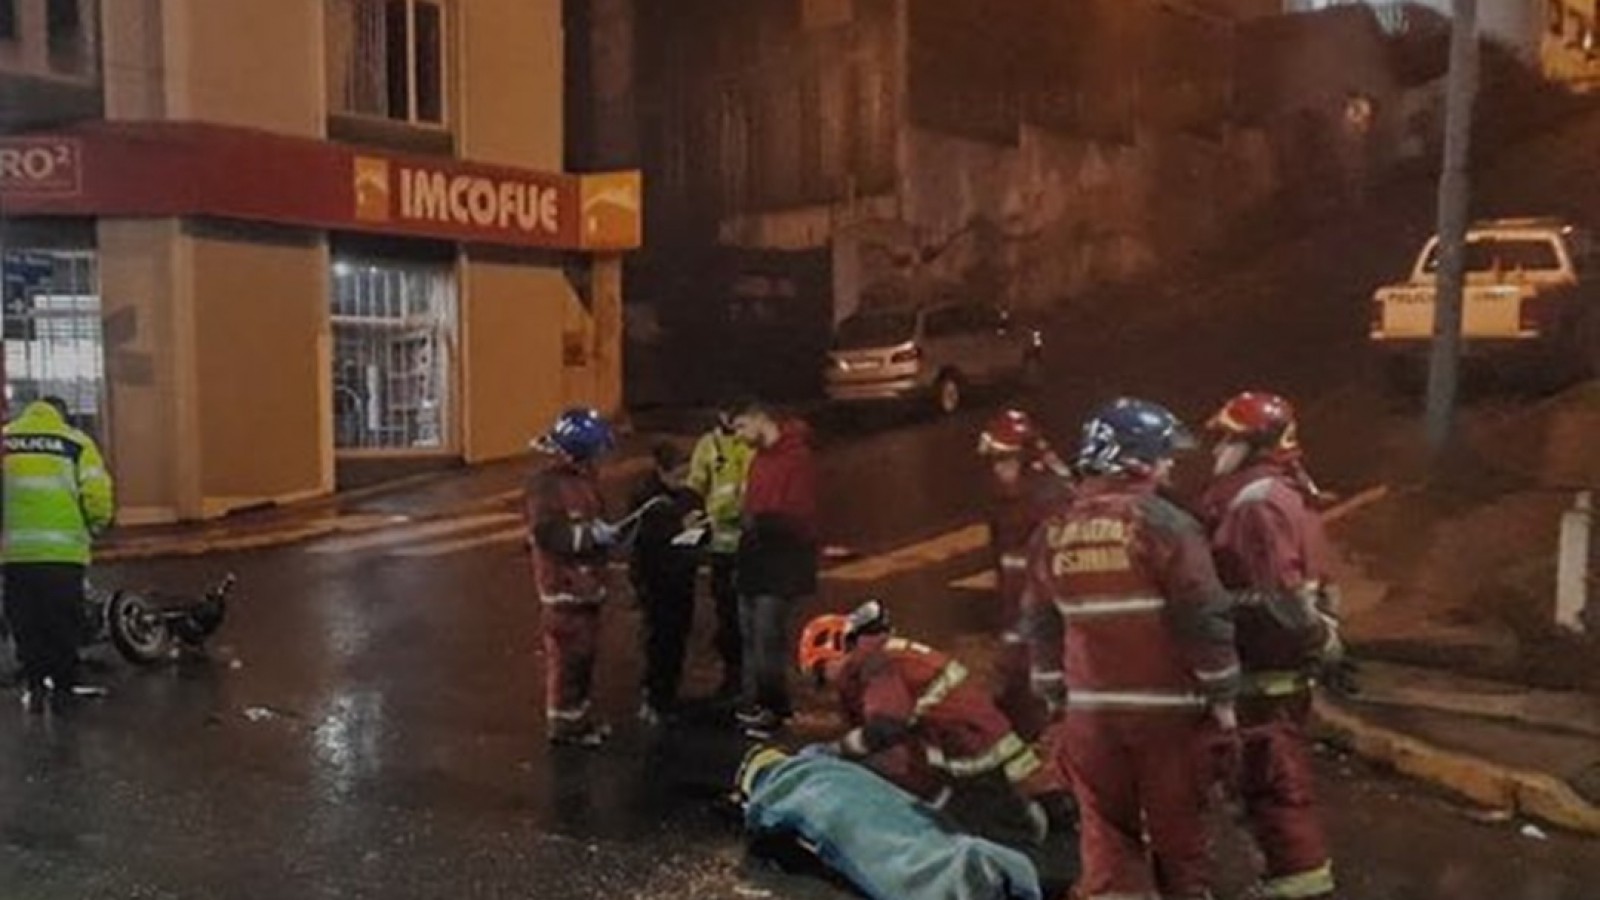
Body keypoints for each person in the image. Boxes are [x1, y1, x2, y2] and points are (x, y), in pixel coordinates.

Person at [1025, 397, 1241, 900]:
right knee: (1178, 834)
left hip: (1090, 717)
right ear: (1135, 459)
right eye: (1163, 455)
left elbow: (1041, 623)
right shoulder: (1164, 525)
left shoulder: (1052, 533)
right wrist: (1223, 696)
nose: (1169, 465)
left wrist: (1055, 695)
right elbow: (1202, 615)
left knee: (1104, 838)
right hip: (1165, 716)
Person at [1200, 391, 1342, 900]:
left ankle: (1296, 885)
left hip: (1263, 663)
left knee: (1270, 782)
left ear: (1253, 444)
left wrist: (1316, 636)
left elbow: (1280, 592)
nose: (1217, 448)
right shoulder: (1275, 493)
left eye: (1227, 438)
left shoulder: (1256, 502)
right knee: (1259, 780)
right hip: (1267, 662)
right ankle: (1287, 880)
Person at [798, 601, 1074, 843]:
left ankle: (1019, 818)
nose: (828, 684)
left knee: (958, 817)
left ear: (837, 651)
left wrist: (839, 750)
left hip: (966, 742)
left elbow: (886, 727)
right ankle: (1045, 807)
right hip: (974, 732)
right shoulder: (880, 654)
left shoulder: (874, 665)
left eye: (823, 672)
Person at [737, 745, 1046, 900]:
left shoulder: (777, 793)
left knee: (908, 862)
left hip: (946, 886)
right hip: (995, 861)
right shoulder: (834, 768)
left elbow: (766, 831)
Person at [3, 396, 115, 714]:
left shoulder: (7, 439)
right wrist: (96, 526)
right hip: (63, 553)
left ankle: (35, 683)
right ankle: (64, 687)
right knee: (62, 619)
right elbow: (96, 493)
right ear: (61, 415)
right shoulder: (75, 442)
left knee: (25, 619)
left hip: (17, 554)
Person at [975, 408, 1073, 739]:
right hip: (1023, 626)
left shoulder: (1047, 500)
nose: (997, 469)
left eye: (1003, 460)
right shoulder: (1015, 499)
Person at [525, 407, 618, 748]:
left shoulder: (579, 480)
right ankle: (564, 726)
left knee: (583, 659)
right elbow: (548, 534)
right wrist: (593, 537)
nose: (600, 459)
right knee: (568, 662)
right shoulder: (547, 486)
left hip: (585, 587)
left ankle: (579, 718)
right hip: (563, 590)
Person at [731, 400, 819, 737]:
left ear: (759, 420)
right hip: (754, 561)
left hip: (781, 563)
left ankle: (772, 707)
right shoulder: (759, 462)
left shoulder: (797, 460)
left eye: (741, 427)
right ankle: (760, 703)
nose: (738, 436)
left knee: (768, 637)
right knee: (751, 636)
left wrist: (760, 521)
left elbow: (800, 520)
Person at [628, 441, 704, 725]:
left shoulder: (689, 497)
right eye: (677, 474)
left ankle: (668, 695)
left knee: (678, 637)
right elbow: (644, 538)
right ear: (662, 470)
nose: (683, 480)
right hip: (655, 580)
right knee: (657, 639)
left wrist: (699, 532)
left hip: (682, 576)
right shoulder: (647, 499)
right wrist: (678, 529)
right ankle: (653, 696)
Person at [686, 405, 754, 700]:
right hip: (721, 547)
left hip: (750, 545)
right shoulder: (708, 446)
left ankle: (748, 678)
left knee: (751, 616)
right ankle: (733, 676)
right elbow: (695, 488)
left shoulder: (750, 444)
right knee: (727, 616)